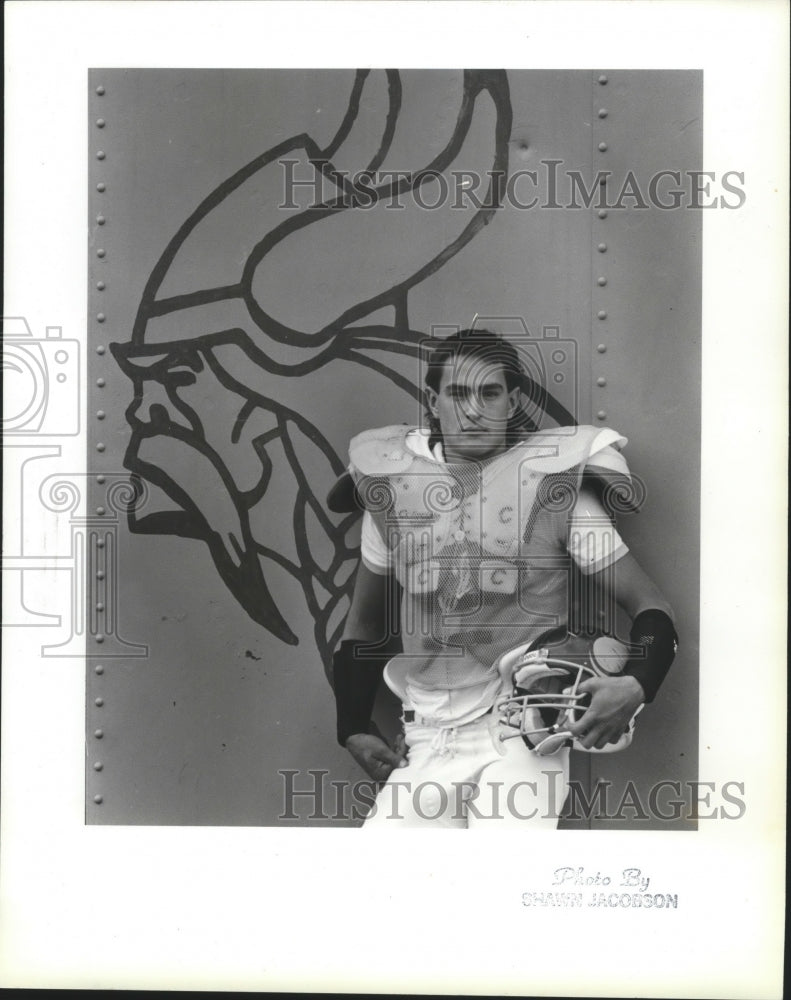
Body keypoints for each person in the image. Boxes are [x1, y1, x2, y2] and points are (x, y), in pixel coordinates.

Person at [330, 329, 677, 827]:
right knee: (385, 893)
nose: (472, 410)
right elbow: (362, 624)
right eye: (457, 393)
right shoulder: (391, 489)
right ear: (432, 400)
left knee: (505, 890)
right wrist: (352, 726)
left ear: (512, 400)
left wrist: (638, 686)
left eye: (489, 393)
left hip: (519, 730)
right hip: (426, 735)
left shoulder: (555, 487)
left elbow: (651, 607)